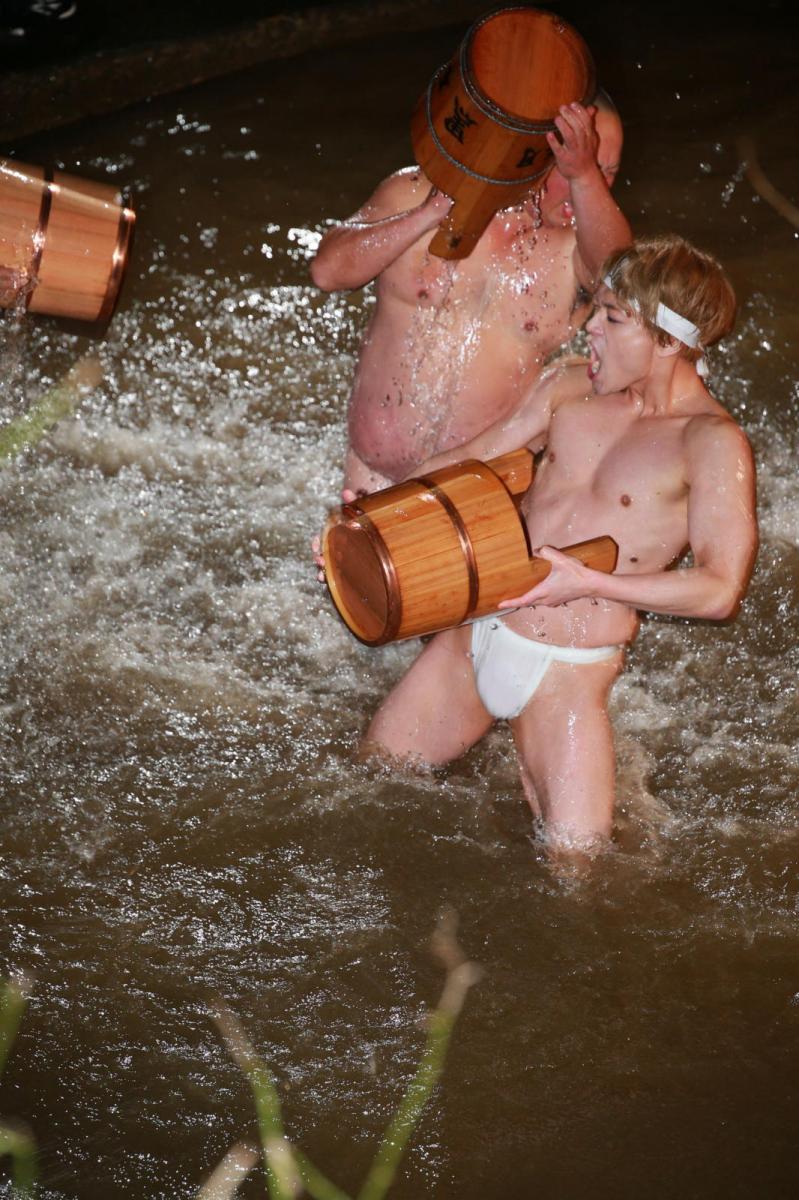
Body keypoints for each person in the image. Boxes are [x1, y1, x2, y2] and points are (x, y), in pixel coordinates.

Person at [357, 235, 758, 851]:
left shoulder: (708, 443)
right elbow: (466, 462)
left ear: (668, 341)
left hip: (565, 673)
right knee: (367, 782)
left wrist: (591, 582)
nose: (589, 327)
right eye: (595, 309)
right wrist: (361, 527)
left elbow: (720, 588)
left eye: (613, 318)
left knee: (578, 870)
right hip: (475, 634)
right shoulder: (569, 388)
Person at [310, 92, 630, 495]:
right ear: (531, 153)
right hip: (370, 475)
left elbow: (623, 277)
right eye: (570, 165)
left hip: (485, 488)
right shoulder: (418, 192)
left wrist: (582, 176)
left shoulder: (583, 248)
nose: (588, 188)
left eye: (606, 174)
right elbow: (327, 272)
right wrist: (425, 216)